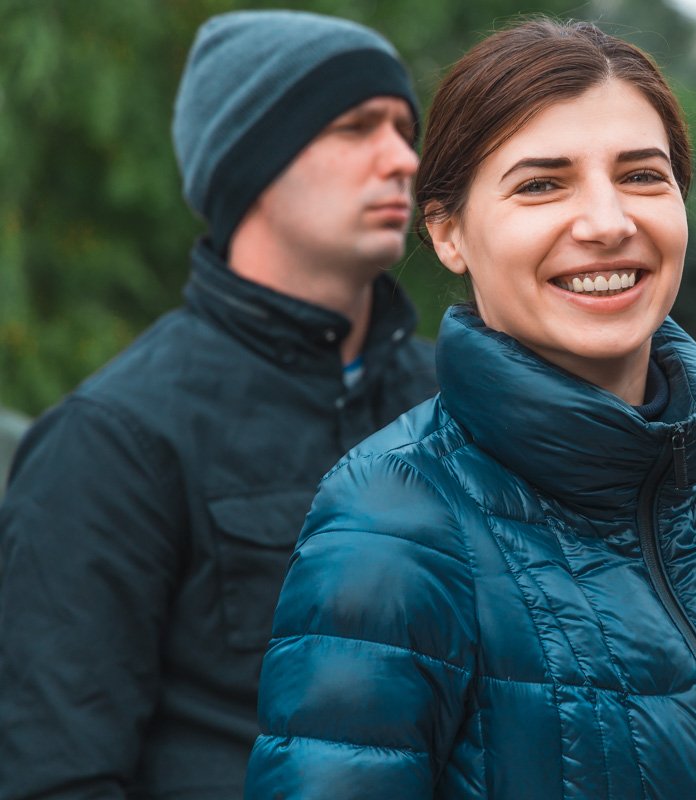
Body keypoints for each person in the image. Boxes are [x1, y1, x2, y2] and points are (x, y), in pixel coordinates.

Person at [247, 18, 696, 798]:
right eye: (542, 184)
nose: (608, 223)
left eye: (643, 176)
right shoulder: (393, 519)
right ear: (447, 232)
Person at [0, 11, 437, 799]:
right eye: (355, 126)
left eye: (405, 128)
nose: (402, 158)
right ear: (253, 159)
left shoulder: (457, 405)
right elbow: (56, 770)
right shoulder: (113, 440)